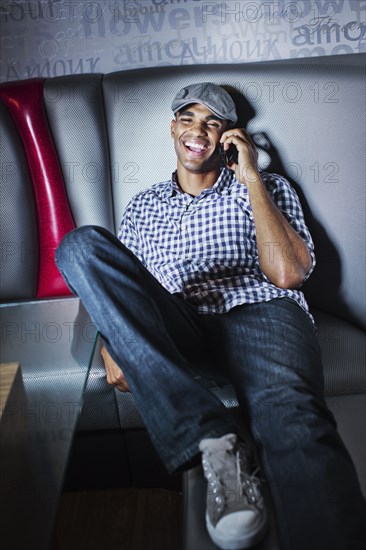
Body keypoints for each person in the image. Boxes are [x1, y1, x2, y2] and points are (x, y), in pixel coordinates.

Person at [55, 83, 366, 550]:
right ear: (173, 128)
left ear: (228, 137)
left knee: (294, 420)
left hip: (262, 313)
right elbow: (124, 292)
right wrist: (113, 339)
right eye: (188, 118)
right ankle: (215, 442)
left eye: (212, 122)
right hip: (179, 321)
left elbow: (287, 273)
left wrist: (253, 179)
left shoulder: (268, 187)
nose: (197, 130)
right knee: (78, 246)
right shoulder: (144, 206)